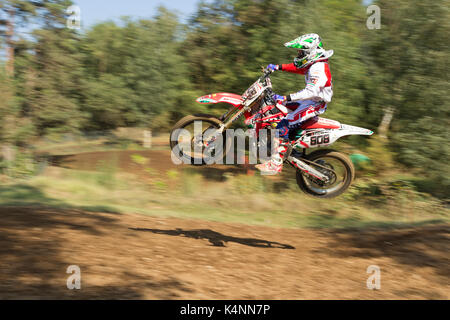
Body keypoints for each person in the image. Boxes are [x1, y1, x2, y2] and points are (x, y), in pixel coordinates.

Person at [255, 33, 334, 175]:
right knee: (276, 109)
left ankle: (275, 165)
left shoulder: (318, 68)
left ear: (310, 51)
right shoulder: (314, 64)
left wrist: (286, 97)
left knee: (283, 124)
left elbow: (309, 92)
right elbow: (297, 68)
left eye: (301, 52)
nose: (299, 54)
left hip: (314, 104)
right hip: (310, 100)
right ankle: (290, 147)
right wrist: (277, 67)